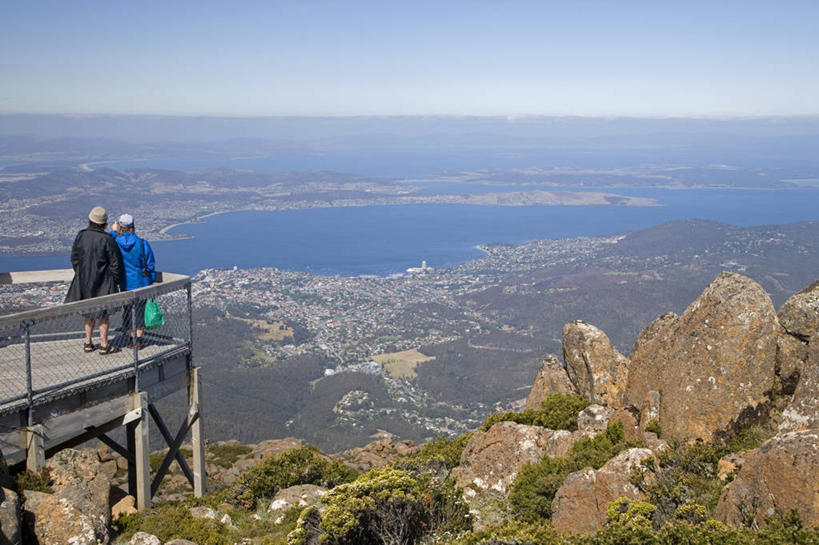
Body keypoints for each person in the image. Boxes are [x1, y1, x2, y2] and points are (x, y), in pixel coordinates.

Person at [65, 206, 122, 354]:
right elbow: (115, 263)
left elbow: (74, 258)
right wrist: (113, 280)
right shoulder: (107, 239)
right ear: (104, 223)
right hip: (104, 281)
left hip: (85, 280)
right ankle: (104, 345)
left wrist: (82, 273)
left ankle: (88, 342)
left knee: (88, 311)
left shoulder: (81, 236)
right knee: (103, 313)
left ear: (90, 220)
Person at [111, 213, 156, 349]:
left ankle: (131, 339)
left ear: (120, 226)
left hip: (125, 282)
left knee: (128, 311)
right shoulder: (142, 243)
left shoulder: (115, 243)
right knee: (140, 312)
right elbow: (150, 264)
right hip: (141, 282)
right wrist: (151, 280)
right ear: (133, 226)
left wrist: (113, 231)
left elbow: (108, 241)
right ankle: (138, 341)